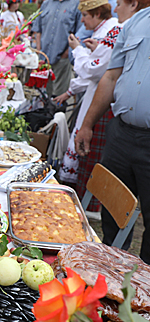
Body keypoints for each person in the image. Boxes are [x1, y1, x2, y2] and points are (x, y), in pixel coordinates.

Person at [74, 0, 150, 263]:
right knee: (111, 210)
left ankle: (142, 294)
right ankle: (108, 267)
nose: (117, 6)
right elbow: (110, 77)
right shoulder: (134, 23)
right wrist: (86, 125)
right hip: (122, 133)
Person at [55, 0, 117, 192]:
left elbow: (93, 70)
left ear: (97, 13)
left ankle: (90, 199)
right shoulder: (105, 31)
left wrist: (78, 49)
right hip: (96, 93)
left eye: (85, 16)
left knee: (89, 149)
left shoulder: (114, 29)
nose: (82, 21)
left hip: (102, 99)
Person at [31, 0, 82, 97]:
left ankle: (58, 111)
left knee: (59, 96)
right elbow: (38, 29)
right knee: (42, 94)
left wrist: (66, 54)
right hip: (43, 59)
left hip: (62, 58)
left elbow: (78, 33)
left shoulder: (75, 4)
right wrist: (39, 50)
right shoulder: (46, 3)